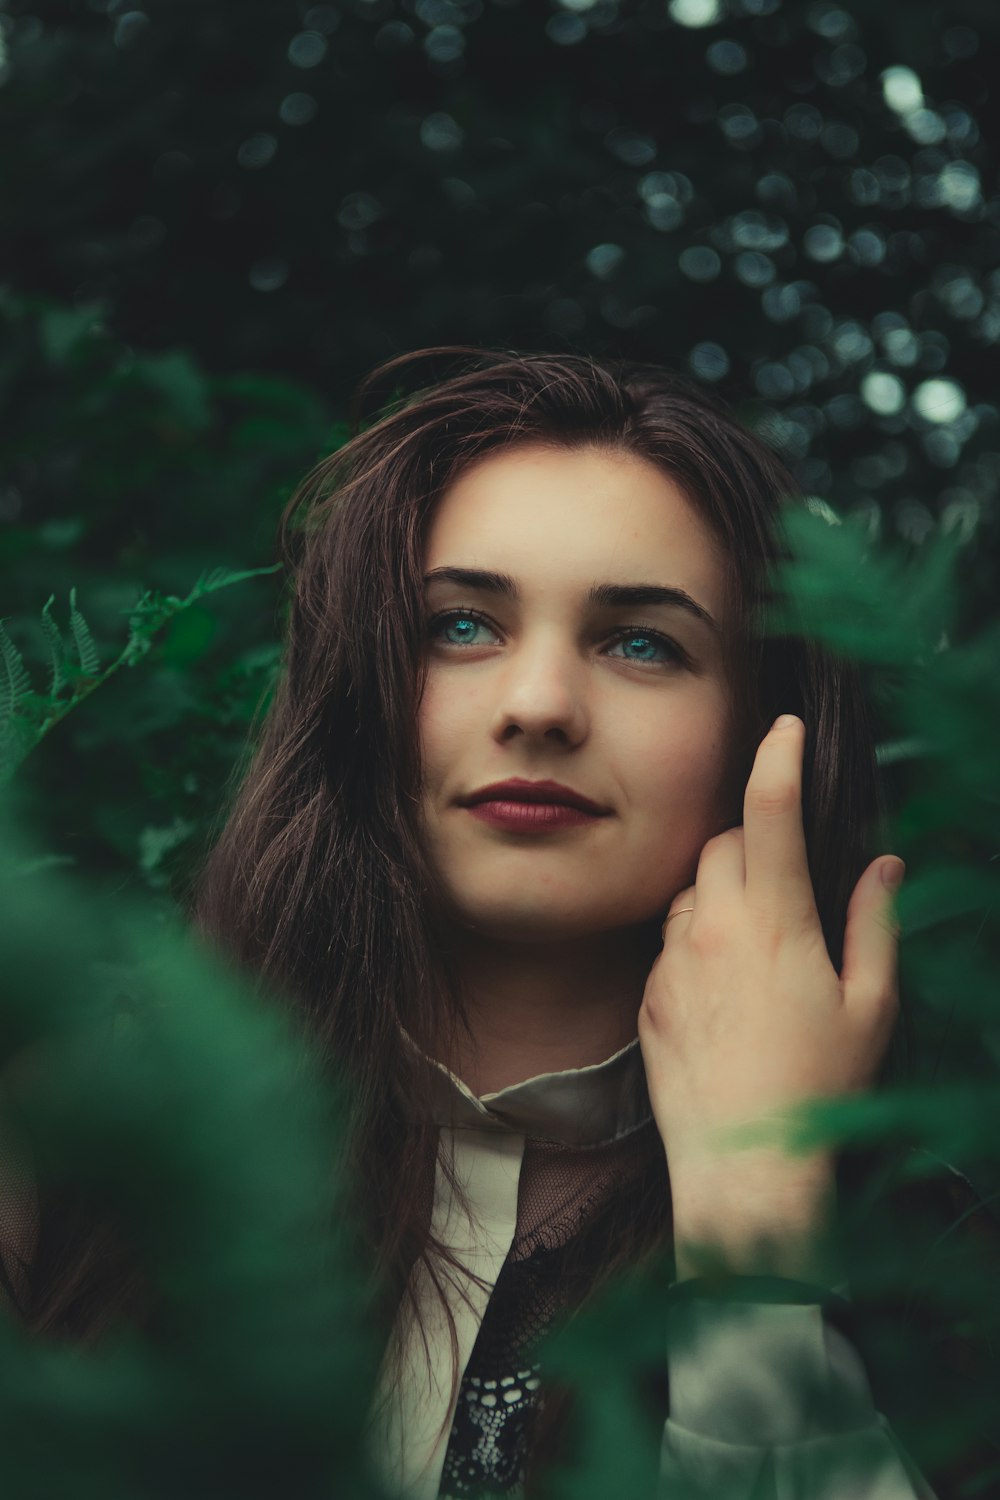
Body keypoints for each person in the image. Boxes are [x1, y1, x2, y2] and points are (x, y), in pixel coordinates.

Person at [3, 349, 994, 1497]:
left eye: (641, 643)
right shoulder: (77, 1124)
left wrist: (755, 1227)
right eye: (460, 626)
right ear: (358, 685)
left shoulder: (930, 1261)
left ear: (765, 730)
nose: (537, 707)